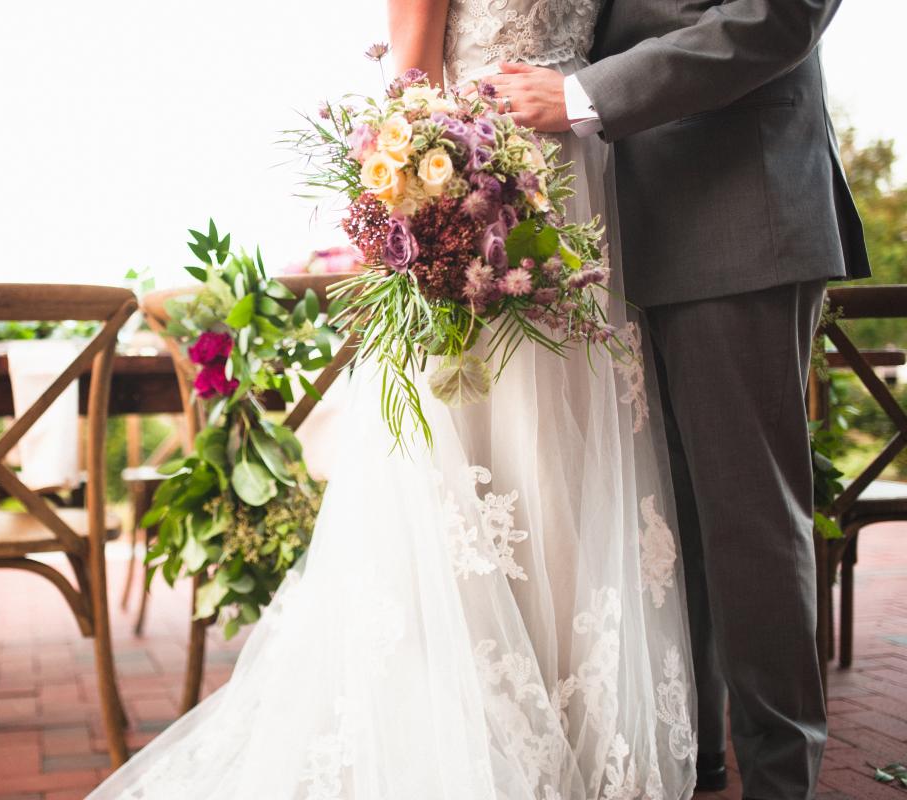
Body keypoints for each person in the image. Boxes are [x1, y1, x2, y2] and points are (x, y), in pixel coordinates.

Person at [88, 0, 706, 796]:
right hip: (476, 193)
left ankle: (574, 731)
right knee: (483, 456)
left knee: (565, 464)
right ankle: (469, 744)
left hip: (585, 196)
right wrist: (427, 210)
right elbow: (411, 74)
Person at [480, 0, 870, 797]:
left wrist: (585, 96)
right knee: (666, 518)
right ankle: (694, 755)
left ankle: (778, 775)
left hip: (738, 208)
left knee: (748, 518)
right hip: (603, 229)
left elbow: (779, 15)